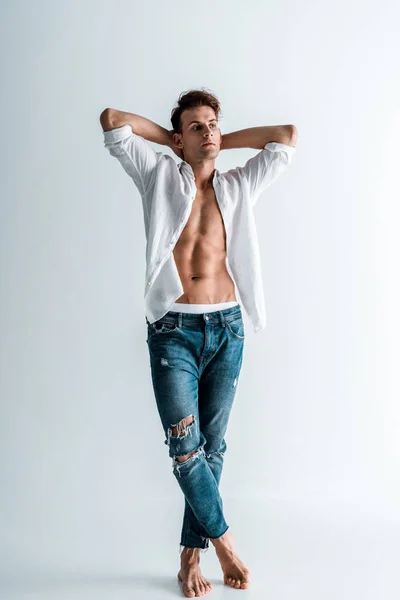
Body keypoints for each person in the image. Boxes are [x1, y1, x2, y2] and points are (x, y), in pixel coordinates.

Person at [100, 88, 297, 597]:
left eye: (212, 123)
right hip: (174, 331)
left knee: (213, 448)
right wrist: (168, 141)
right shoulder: (158, 175)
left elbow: (286, 138)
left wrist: (220, 142)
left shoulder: (238, 184)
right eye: (196, 126)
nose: (207, 131)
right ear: (178, 139)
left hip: (227, 328)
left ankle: (190, 555)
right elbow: (113, 119)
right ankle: (224, 541)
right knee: (186, 449)